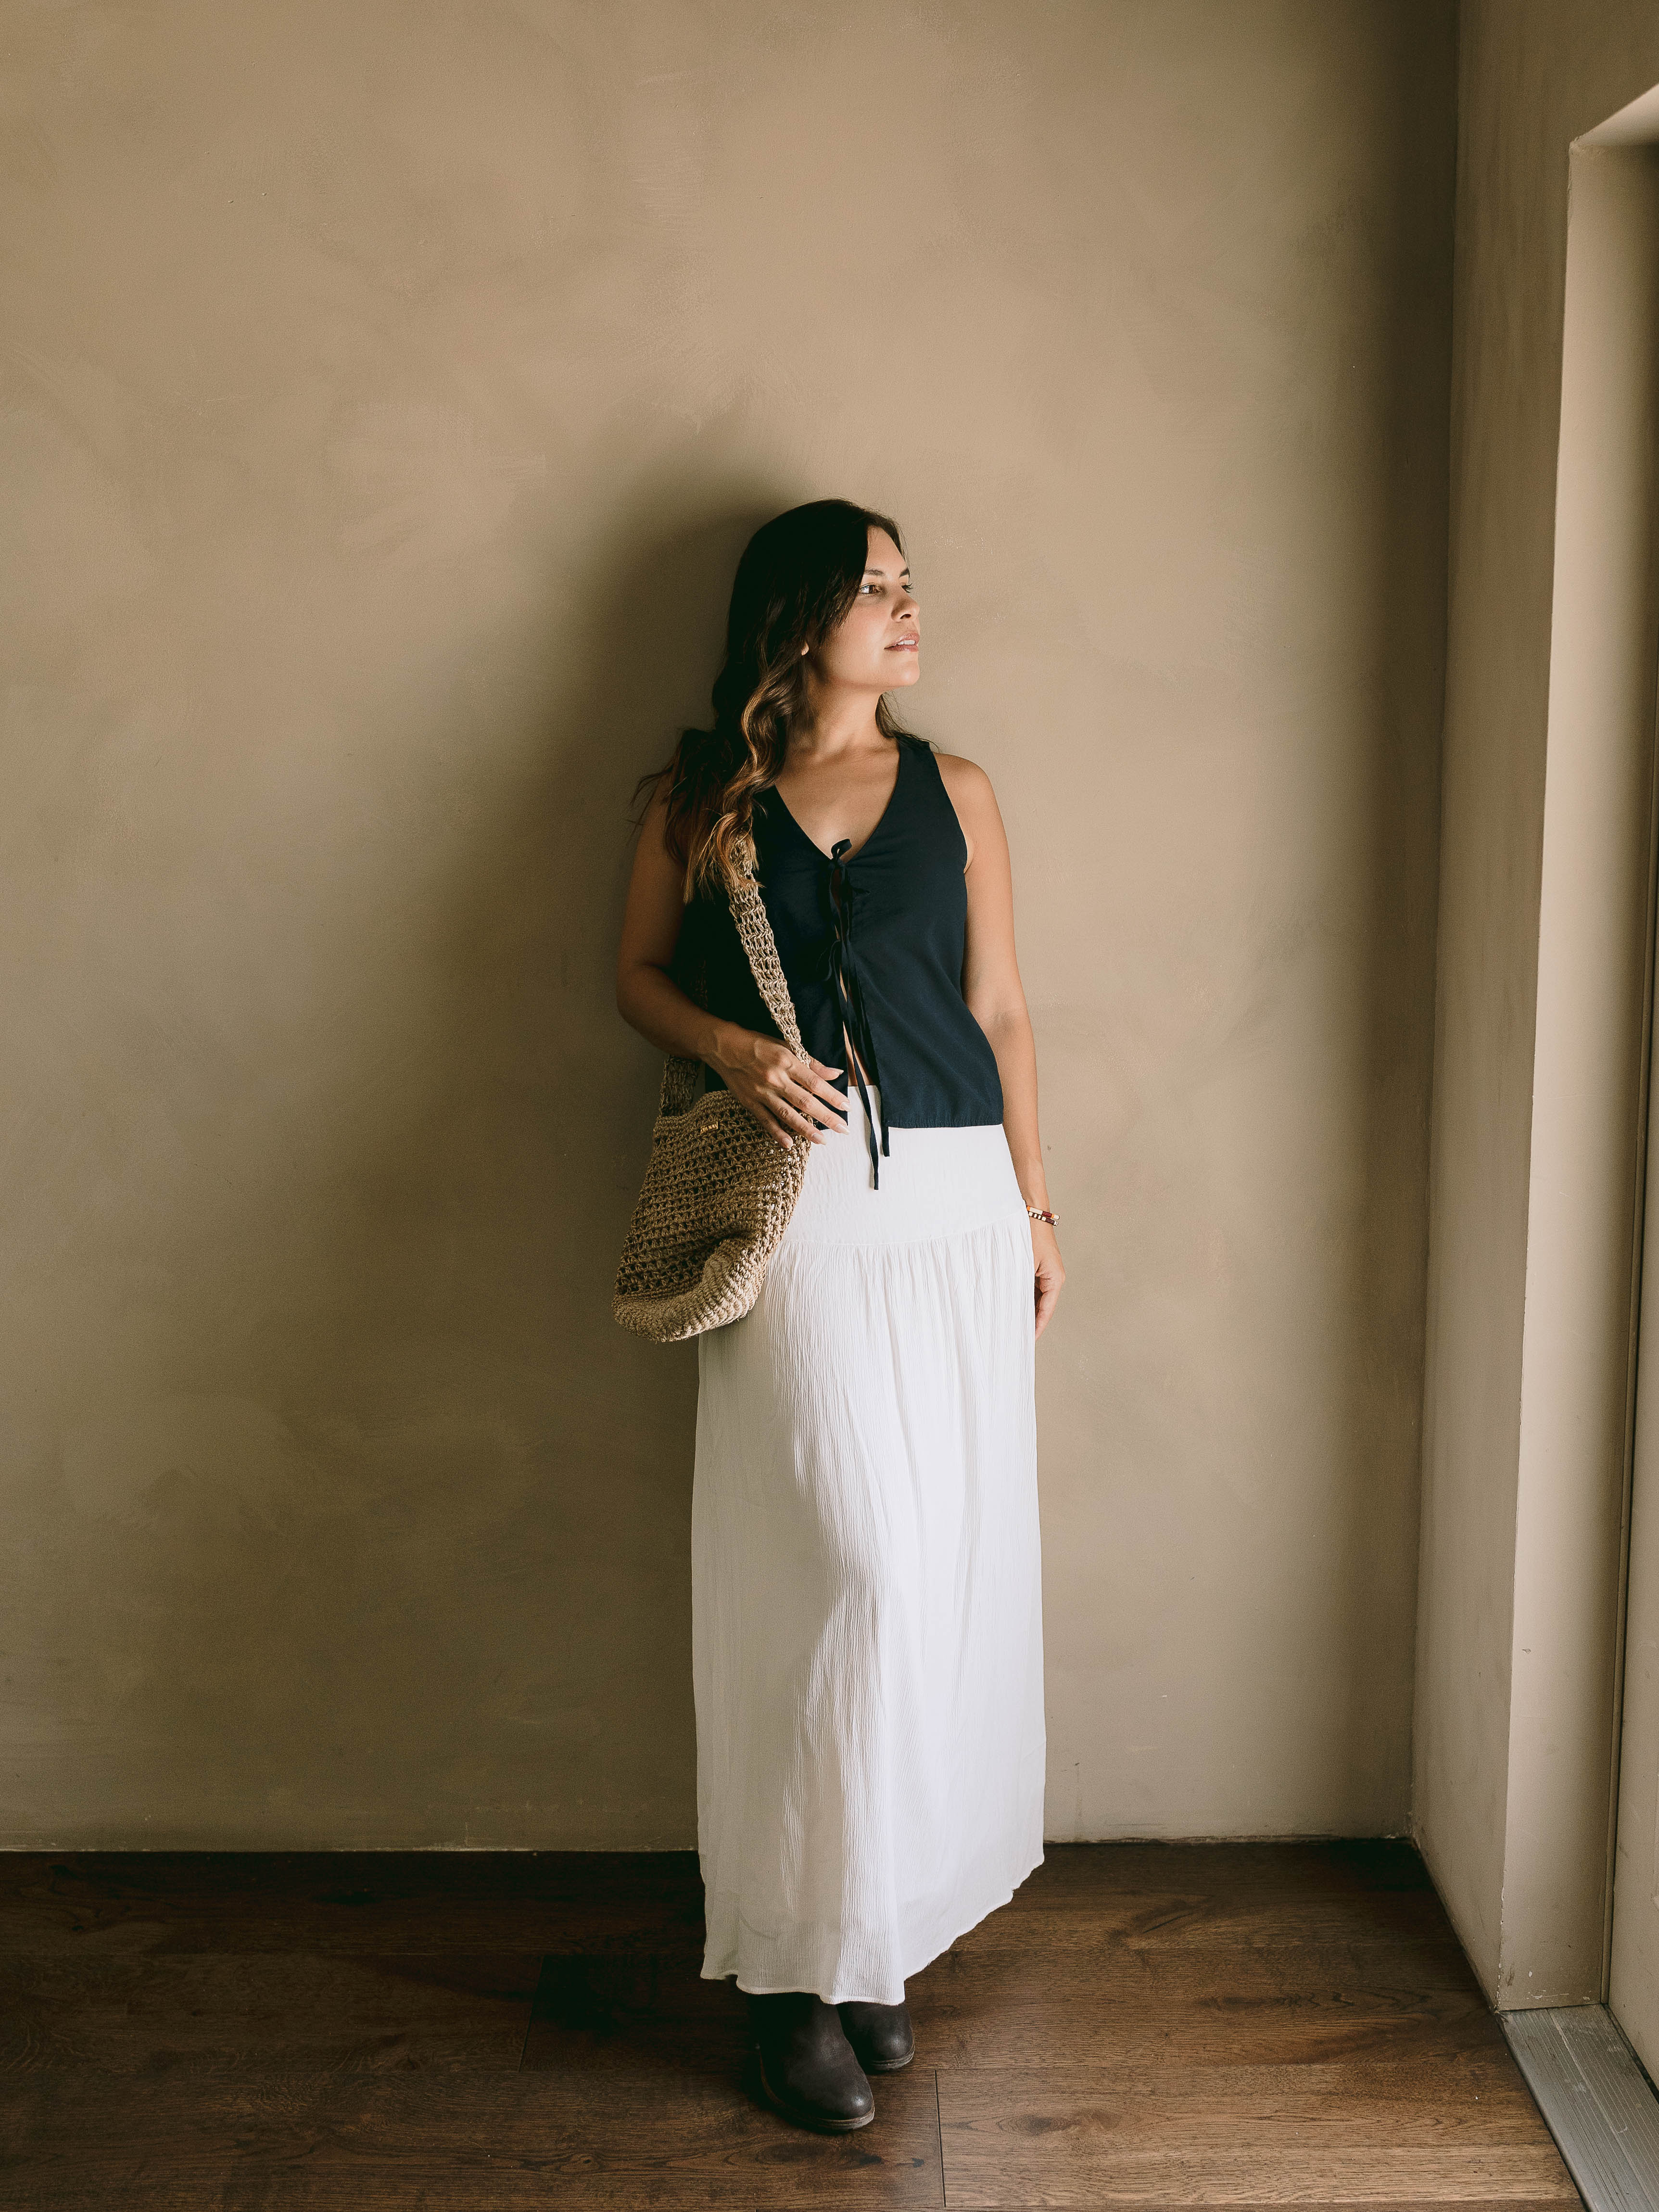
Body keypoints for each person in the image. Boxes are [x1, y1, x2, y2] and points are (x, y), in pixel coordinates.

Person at [615, 498, 1064, 2131]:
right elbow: (636, 981)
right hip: (789, 1215)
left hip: (950, 1206)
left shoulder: (958, 792)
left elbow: (1001, 1005)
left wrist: (1032, 1202)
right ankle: (791, 1979)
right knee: (842, 1569)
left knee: (932, 1574)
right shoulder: (700, 797)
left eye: (908, 584)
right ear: (797, 619)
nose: (906, 607)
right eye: (874, 589)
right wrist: (738, 1054)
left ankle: (870, 1944)